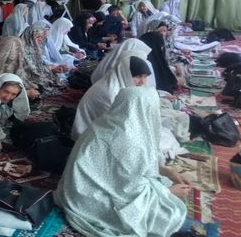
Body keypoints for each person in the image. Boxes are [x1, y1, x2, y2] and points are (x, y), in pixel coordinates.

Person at [55, 87, 188, 237]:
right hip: (91, 201)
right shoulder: (130, 142)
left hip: (76, 192)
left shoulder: (106, 123)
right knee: (170, 214)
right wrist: (169, 193)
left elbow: (132, 170)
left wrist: (167, 171)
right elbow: (129, 191)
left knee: (161, 184)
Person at [72, 56, 152, 140]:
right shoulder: (110, 92)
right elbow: (120, 125)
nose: (143, 82)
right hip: (88, 137)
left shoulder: (120, 85)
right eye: (138, 76)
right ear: (125, 73)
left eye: (145, 76)